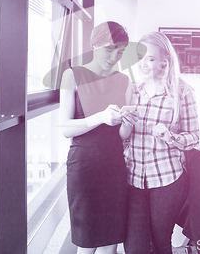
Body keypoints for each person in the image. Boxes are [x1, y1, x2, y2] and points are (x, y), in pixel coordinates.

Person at [58, 21, 137, 254]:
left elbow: (122, 137)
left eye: (120, 51)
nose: (115, 56)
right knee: (87, 244)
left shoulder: (124, 81)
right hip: (84, 168)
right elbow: (65, 128)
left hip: (114, 167)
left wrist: (128, 125)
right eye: (110, 49)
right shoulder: (71, 75)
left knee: (109, 246)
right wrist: (101, 117)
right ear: (94, 44)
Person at [122, 31, 199, 254]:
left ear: (165, 61)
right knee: (134, 247)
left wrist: (171, 137)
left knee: (160, 242)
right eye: (140, 57)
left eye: (151, 58)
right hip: (133, 178)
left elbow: (194, 136)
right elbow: (124, 137)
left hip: (167, 180)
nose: (143, 64)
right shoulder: (132, 90)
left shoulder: (182, 92)